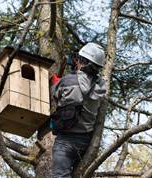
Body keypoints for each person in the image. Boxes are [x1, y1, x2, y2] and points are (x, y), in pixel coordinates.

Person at [51, 42, 107, 178]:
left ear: (83, 62)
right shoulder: (101, 86)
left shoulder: (67, 81)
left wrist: (58, 82)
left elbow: (54, 96)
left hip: (66, 140)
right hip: (86, 141)